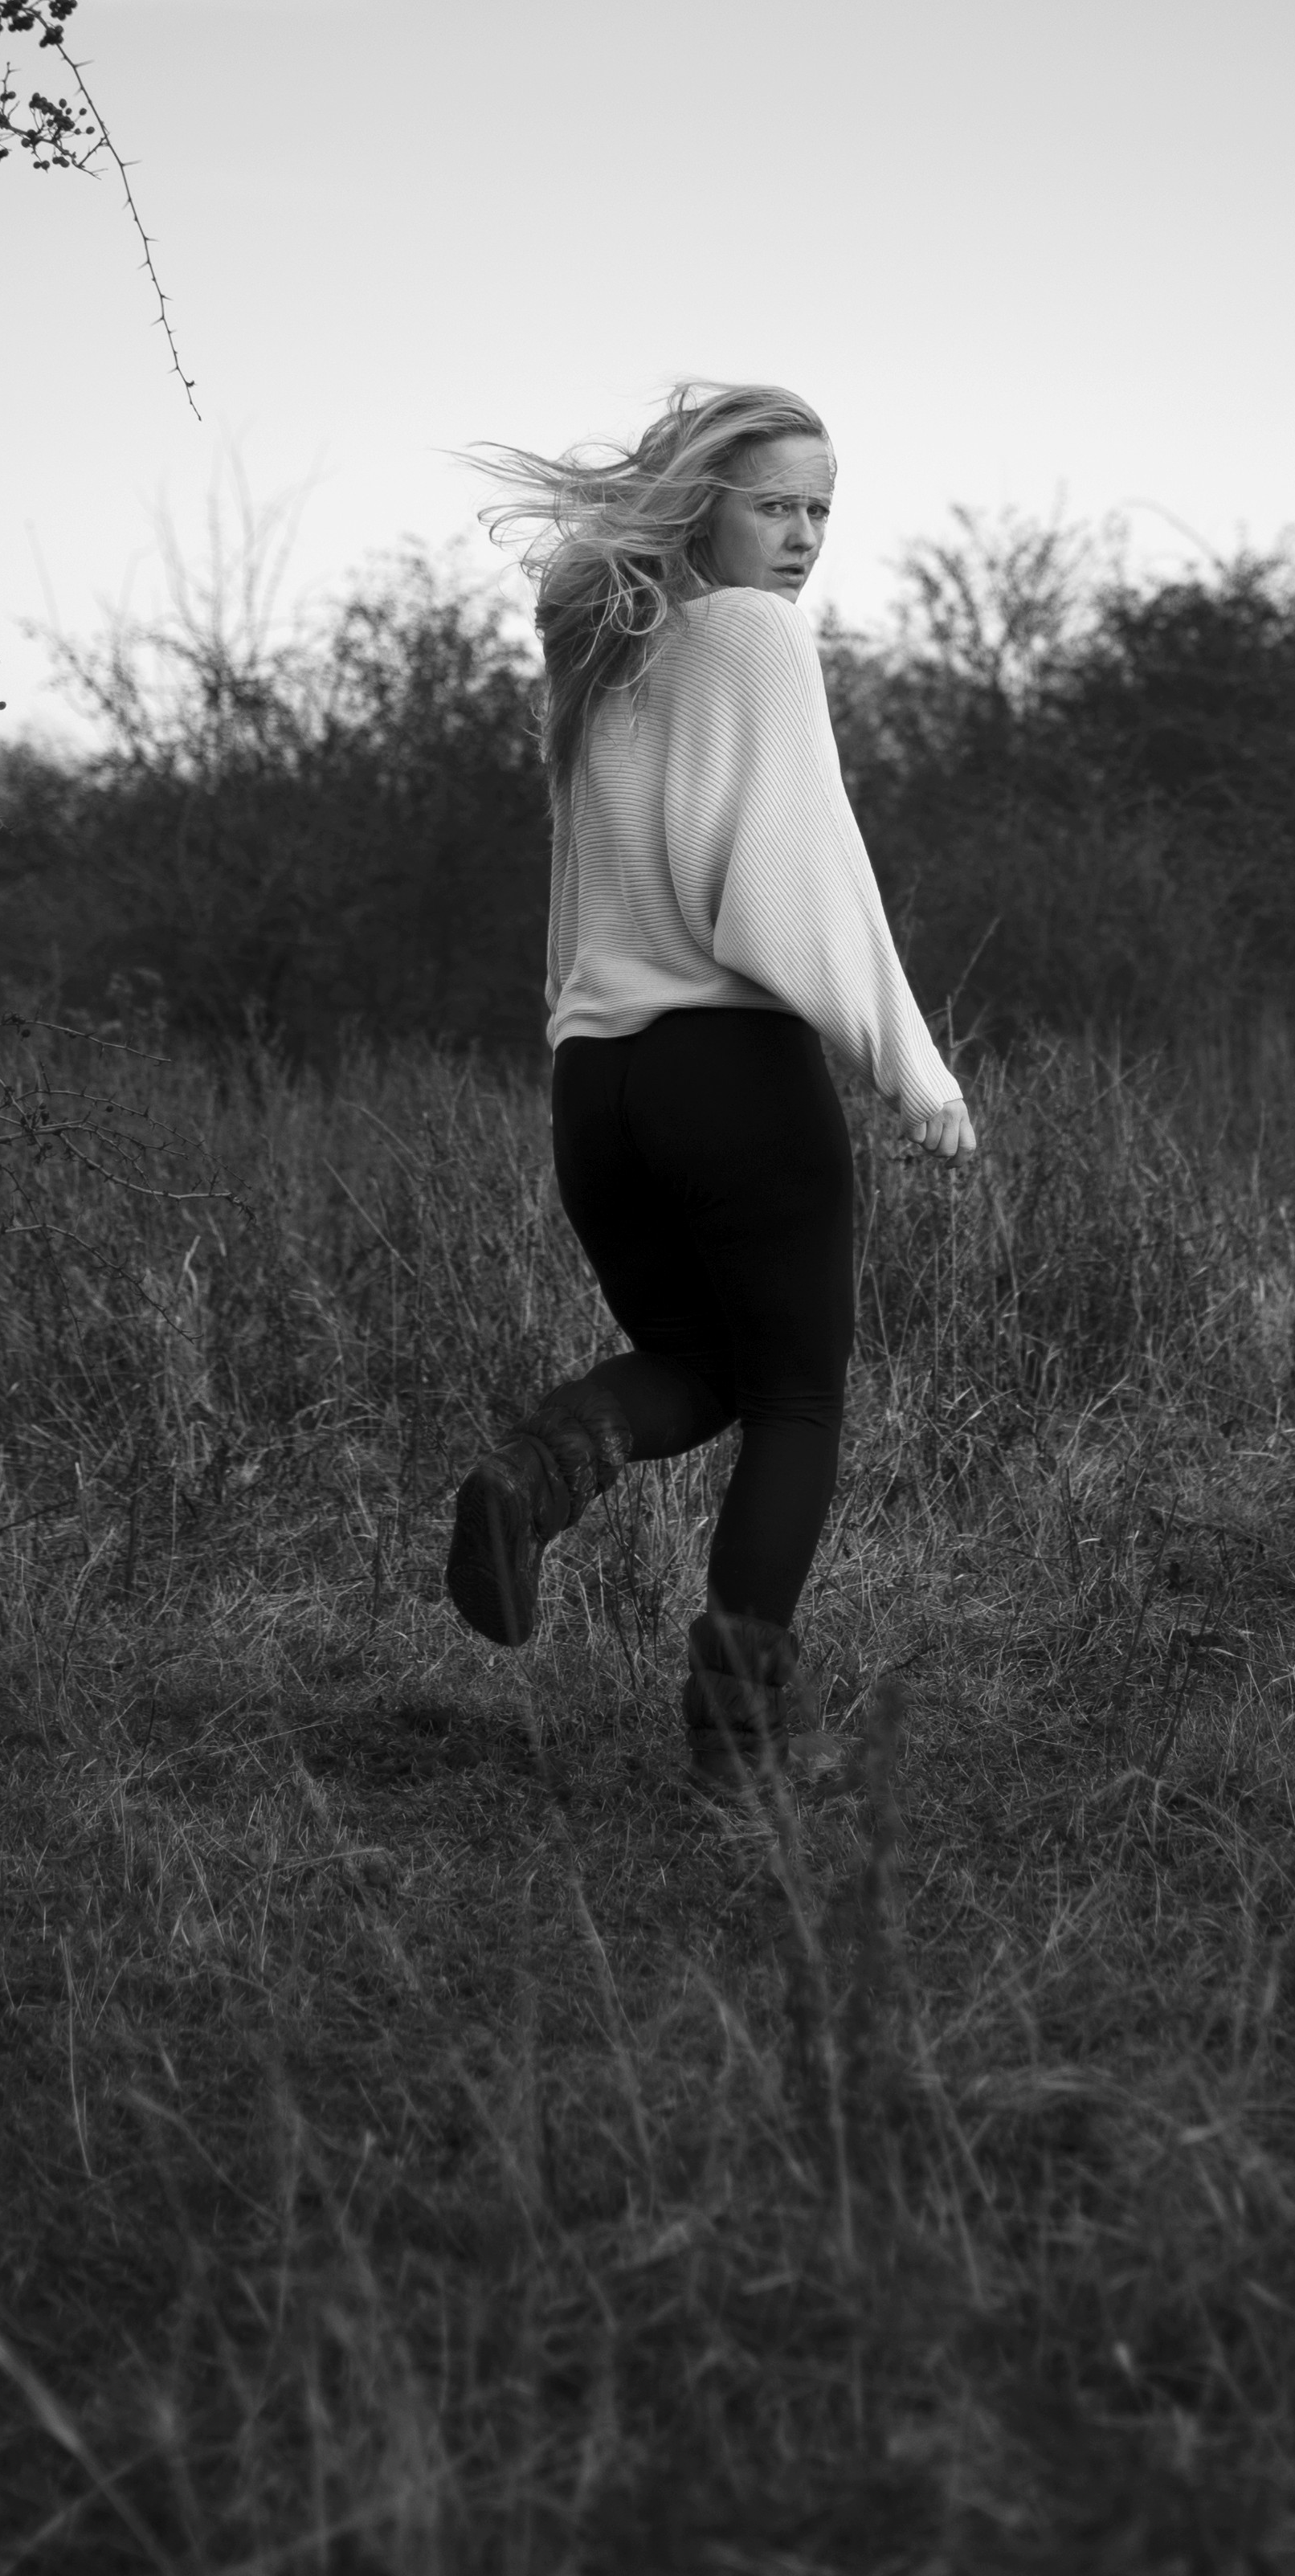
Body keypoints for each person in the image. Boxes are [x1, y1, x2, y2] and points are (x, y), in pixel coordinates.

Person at [446, 381, 974, 1786]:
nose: (804, 537)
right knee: (799, 1399)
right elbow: (804, 869)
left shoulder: (600, 657)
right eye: (776, 504)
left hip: (597, 1092)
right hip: (730, 1075)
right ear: (705, 507)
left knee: (704, 1366)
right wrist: (913, 1072)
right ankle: (743, 1742)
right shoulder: (750, 635)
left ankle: (536, 1473)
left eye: (821, 509)